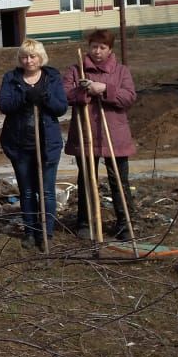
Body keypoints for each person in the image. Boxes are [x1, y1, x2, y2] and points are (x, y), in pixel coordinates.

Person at [63, 29, 137, 241]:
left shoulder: (121, 71)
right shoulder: (77, 70)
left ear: (110, 49)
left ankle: (125, 223)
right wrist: (84, 91)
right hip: (85, 134)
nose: (97, 51)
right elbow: (64, 94)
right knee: (87, 179)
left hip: (115, 135)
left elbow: (129, 97)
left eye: (102, 47)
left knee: (119, 181)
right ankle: (85, 223)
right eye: (94, 46)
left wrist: (104, 88)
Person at [0, 39, 68, 250]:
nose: (29, 60)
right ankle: (30, 231)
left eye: (33, 56)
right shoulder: (11, 78)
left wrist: (44, 97)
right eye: (25, 56)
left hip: (47, 144)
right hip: (20, 145)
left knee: (46, 191)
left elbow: (61, 107)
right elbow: (4, 105)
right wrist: (25, 98)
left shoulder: (52, 77)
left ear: (41, 58)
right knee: (27, 191)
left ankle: (46, 232)